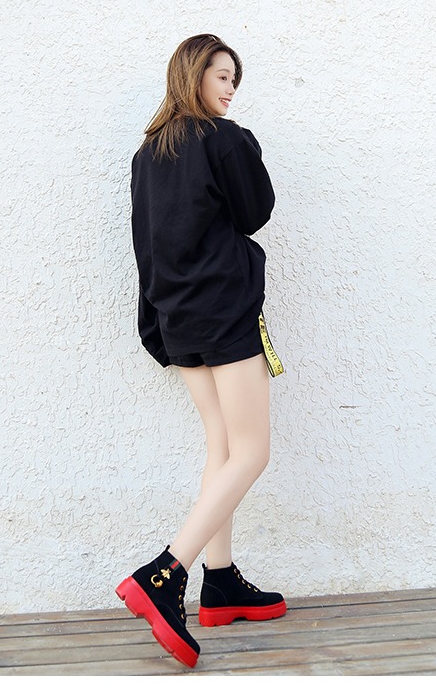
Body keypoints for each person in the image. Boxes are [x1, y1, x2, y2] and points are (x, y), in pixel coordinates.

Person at [115, 34, 287, 669]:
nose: (230, 88)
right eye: (221, 76)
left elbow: (145, 241)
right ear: (192, 76)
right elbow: (256, 210)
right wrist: (243, 145)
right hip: (223, 311)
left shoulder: (148, 153)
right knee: (253, 452)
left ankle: (220, 581)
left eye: (234, 79)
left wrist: (156, 322)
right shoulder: (223, 139)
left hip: (178, 317)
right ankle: (166, 573)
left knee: (222, 445)